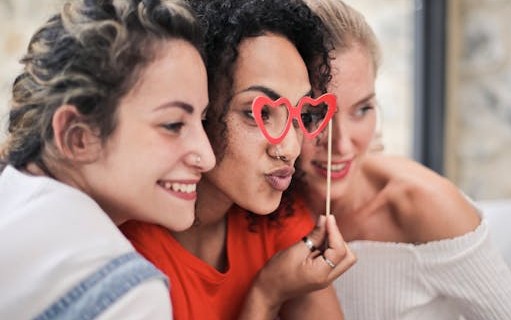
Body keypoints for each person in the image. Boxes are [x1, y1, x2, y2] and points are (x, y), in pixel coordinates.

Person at [120, 0, 356, 319]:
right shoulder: (130, 254)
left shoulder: (278, 221)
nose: (289, 149)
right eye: (256, 113)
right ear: (199, 108)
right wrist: (266, 295)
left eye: (301, 114)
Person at [296, 0, 511, 318]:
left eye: (362, 109)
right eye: (314, 114)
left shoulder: (424, 205)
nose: (342, 144)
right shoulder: (261, 211)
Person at [0, 0, 215, 318]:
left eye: (204, 120)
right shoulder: (127, 294)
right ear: (78, 136)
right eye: (173, 125)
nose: (207, 157)